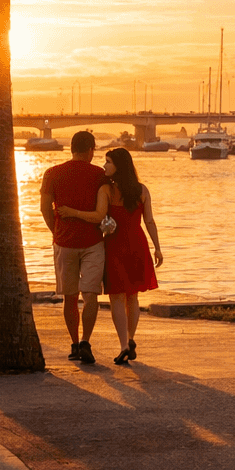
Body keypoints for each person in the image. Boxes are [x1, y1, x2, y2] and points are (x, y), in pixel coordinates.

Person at [59, 148, 162, 365]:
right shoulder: (142, 190)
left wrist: (71, 212)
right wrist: (157, 247)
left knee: (117, 296)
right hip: (138, 244)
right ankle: (131, 340)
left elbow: (98, 215)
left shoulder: (107, 190)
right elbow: (149, 221)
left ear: (118, 166)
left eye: (108, 162)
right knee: (133, 296)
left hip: (115, 246)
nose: (104, 166)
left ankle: (124, 344)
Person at [39, 130, 108, 363]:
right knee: (91, 296)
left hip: (64, 243)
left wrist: (55, 230)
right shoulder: (100, 175)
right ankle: (87, 342)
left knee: (69, 297)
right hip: (93, 243)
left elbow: (44, 208)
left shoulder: (52, 173)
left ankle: (74, 344)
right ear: (90, 150)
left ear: (71, 148)